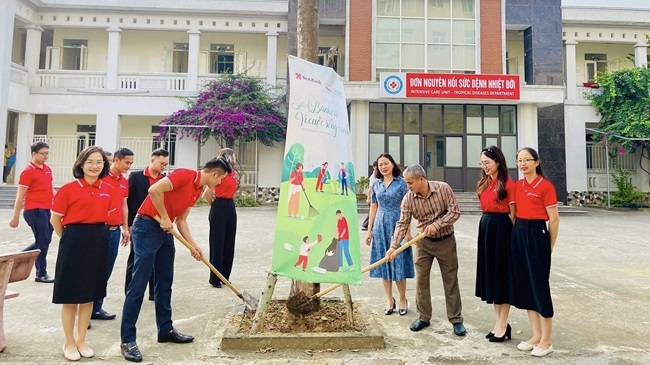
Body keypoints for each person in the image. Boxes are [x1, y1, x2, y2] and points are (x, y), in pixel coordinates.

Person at [120, 156, 232, 363]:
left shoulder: (198, 190)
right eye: (221, 179)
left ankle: (165, 329)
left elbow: (181, 220)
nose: (219, 184)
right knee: (139, 284)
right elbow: (154, 191)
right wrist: (163, 216)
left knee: (165, 282)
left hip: (165, 231)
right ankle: (128, 340)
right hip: (146, 226)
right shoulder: (185, 175)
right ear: (214, 174)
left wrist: (193, 246)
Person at [386, 164, 465, 336]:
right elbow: (402, 223)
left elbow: (455, 212)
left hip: (446, 241)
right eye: (406, 183)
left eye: (410, 183)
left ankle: (456, 319)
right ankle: (424, 317)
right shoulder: (408, 198)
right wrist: (393, 246)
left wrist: (437, 225)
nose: (408, 186)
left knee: (450, 280)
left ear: (422, 179)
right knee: (421, 281)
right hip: (422, 244)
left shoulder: (443, 189)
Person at [50, 146, 113, 361]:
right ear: (81, 164)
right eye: (90, 162)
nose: (95, 166)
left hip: (98, 239)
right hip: (73, 240)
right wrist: (68, 240)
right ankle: (68, 342)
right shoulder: (68, 189)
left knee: (88, 296)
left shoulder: (108, 189)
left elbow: (108, 216)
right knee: (71, 296)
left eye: (99, 162)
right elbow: (55, 220)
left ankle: (82, 340)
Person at [510, 147, 559, 357]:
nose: (523, 164)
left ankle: (547, 340)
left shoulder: (545, 186)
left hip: (537, 234)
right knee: (527, 286)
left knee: (539, 286)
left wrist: (549, 246)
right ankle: (536, 335)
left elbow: (554, 220)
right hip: (519, 233)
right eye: (519, 160)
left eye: (527, 160)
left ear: (536, 162)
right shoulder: (518, 186)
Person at [475, 146, 515, 342]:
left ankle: (503, 324)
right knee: (491, 277)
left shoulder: (507, 184)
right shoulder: (485, 182)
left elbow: (514, 215)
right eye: (482, 163)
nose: (484, 167)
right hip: (486, 229)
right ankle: (499, 323)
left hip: (502, 230)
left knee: (501, 278)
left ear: (498, 162)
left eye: (487, 163)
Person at [364, 154, 412, 316]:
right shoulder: (376, 184)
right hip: (380, 226)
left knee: (398, 263)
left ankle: (403, 299)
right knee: (384, 264)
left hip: (398, 224)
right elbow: (373, 207)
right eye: (380, 165)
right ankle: (389, 300)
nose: (383, 167)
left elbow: (408, 207)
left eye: (386, 163)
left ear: (392, 164)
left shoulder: (402, 183)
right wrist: (369, 231)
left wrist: (408, 231)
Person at [91, 147, 134, 321]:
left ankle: (96, 307)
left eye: (131, 163)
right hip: (98, 230)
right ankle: (84, 307)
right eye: (127, 162)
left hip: (115, 231)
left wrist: (125, 227)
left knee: (106, 269)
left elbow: (124, 205)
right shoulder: (101, 177)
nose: (129, 166)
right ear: (116, 160)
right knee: (92, 269)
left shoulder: (124, 181)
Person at [124, 148, 169, 300]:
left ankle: (153, 292)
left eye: (166, 164)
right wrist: (129, 224)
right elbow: (129, 202)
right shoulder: (137, 177)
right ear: (152, 160)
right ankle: (130, 291)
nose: (164, 167)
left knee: (156, 258)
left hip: (159, 222)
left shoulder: (165, 180)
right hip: (140, 224)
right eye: (161, 163)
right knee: (136, 257)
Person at [9, 142, 56, 283]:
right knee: (42, 241)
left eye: (47, 153)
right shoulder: (28, 172)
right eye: (43, 153)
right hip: (34, 210)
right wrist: (15, 217)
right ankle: (41, 273)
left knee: (45, 241)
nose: (46, 156)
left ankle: (18, 257)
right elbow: (20, 195)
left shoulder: (47, 169)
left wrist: (60, 201)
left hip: (47, 210)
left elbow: (50, 189)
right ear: (34, 154)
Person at [204, 148, 238, 288]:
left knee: (229, 242)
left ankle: (225, 276)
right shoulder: (219, 174)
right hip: (219, 205)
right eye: (232, 156)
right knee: (217, 243)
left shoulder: (233, 173)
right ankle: (215, 278)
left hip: (230, 205)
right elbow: (207, 193)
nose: (234, 159)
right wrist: (215, 206)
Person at [362, 160, 378, 231]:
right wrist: (368, 198)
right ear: (374, 167)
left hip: (379, 196)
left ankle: (368, 225)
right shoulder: (372, 177)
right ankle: (367, 225)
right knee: (372, 211)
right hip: (374, 197)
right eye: (376, 168)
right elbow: (370, 188)